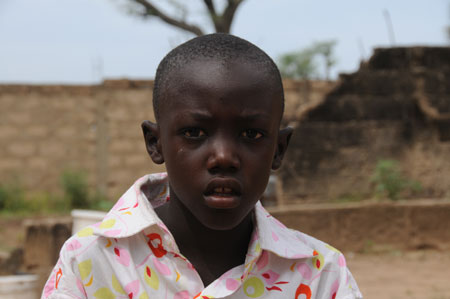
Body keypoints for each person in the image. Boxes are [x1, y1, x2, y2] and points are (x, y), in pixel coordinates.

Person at [42, 33, 362, 299]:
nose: (223, 157)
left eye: (251, 134)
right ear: (156, 143)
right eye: (194, 133)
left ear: (278, 150)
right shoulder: (92, 263)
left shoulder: (322, 275)